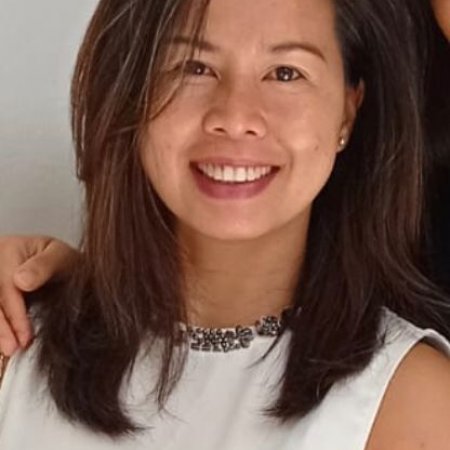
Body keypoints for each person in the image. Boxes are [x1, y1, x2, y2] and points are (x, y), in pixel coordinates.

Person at [0, 0, 450, 449]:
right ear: (131, 90)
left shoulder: (418, 405)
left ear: (348, 110)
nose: (235, 118)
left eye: (286, 73)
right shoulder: (14, 354)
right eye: (194, 68)